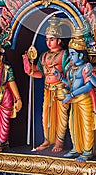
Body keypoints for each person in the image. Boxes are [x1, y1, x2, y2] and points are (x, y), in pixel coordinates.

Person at [23, 15, 69, 152]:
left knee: (61, 117)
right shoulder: (43, 56)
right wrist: (27, 65)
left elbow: (70, 72)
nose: (49, 42)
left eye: (52, 39)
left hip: (60, 88)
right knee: (46, 116)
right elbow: (40, 73)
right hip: (47, 89)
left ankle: (59, 142)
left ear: (59, 40)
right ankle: (47, 140)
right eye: (47, 39)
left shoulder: (64, 54)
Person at [56, 29, 96, 162]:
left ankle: (87, 150)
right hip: (74, 100)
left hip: (84, 100)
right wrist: (61, 79)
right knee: (73, 125)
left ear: (80, 56)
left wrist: (72, 94)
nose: (71, 57)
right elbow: (70, 85)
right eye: (70, 54)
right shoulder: (71, 69)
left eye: (73, 54)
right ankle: (76, 148)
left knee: (86, 125)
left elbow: (90, 86)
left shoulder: (86, 67)